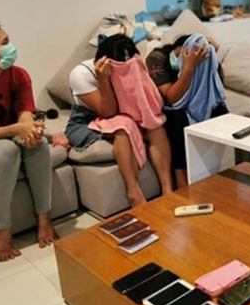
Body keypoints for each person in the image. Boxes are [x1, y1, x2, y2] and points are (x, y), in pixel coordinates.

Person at [65, 34, 173, 206]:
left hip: (122, 111)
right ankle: (134, 193)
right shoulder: (81, 74)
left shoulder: (131, 65)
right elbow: (108, 112)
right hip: (86, 120)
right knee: (124, 126)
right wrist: (103, 80)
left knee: (155, 125)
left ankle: (168, 190)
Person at [0, 22, 57, 261]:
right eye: (5, 43)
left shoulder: (18, 74)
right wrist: (18, 129)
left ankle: (44, 219)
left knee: (39, 144)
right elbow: (14, 128)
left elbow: (26, 111)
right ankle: (0, 229)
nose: (12, 47)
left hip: (12, 131)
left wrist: (30, 130)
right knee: (7, 150)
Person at [147, 34, 227, 189]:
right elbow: (171, 99)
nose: (182, 60)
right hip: (170, 110)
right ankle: (181, 180)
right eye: (181, 56)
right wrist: (189, 68)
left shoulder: (205, 59)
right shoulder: (157, 58)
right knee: (178, 118)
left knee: (220, 112)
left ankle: (222, 173)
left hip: (197, 105)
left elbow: (213, 92)